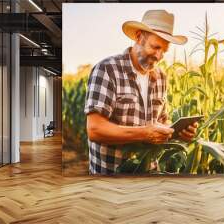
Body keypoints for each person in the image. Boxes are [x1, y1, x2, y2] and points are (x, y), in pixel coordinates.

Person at [85, 10, 198, 175]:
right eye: (155, 47)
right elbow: (95, 129)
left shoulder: (161, 77)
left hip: (150, 172)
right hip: (112, 174)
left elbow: (161, 122)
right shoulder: (107, 70)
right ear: (138, 37)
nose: (159, 56)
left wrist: (179, 133)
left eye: (164, 51)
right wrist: (144, 134)